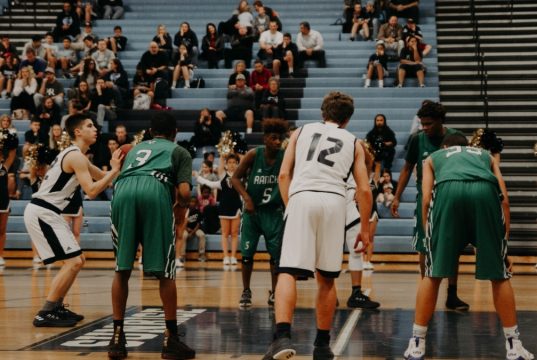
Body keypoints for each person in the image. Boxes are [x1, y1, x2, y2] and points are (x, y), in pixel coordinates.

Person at [403, 134, 534, 360]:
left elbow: (425, 198)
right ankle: (514, 345)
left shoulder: (433, 157)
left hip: (447, 194)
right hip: (484, 194)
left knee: (432, 274)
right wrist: (504, 244)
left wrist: (427, 238)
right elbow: (504, 199)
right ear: (467, 147)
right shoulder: (486, 155)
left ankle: (417, 343)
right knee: (500, 276)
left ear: (446, 147)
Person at [263, 92, 372, 359]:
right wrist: (365, 230)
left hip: (302, 197)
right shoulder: (355, 142)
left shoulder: (300, 132)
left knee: (287, 272)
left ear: (323, 113)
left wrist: (292, 205)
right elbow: (365, 191)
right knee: (327, 278)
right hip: (334, 203)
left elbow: (284, 174)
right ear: (347, 119)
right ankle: (322, 346)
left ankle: (283, 337)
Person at [108, 112, 194, 359]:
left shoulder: (134, 148)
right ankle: (171, 339)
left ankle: (116, 339)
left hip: (123, 190)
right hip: (154, 189)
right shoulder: (179, 151)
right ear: (174, 132)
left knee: (121, 268)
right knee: (166, 272)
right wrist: (180, 208)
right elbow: (186, 193)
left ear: (150, 131)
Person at [24, 113, 122, 326]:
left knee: (78, 261)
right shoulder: (76, 156)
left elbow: (100, 177)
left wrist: (120, 171)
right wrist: (113, 170)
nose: (95, 128)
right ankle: (46, 312)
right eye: (89, 125)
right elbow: (92, 190)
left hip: (49, 212)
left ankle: (56, 307)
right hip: (42, 212)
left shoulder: (78, 156)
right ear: (78, 132)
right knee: (74, 261)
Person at [391, 101, 469, 311]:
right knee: (424, 245)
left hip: (452, 196)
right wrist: (397, 196)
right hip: (426, 197)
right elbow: (407, 169)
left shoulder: (456, 138)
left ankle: (452, 295)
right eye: (422, 123)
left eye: (428, 123)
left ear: (440, 121)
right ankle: (427, 289)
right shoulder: (418, 139)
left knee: (452, 246)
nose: (424, 127)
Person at [231, 118, 288, 308]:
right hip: (252, 213)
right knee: (247, 255)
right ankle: (246, 290)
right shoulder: (253, 155)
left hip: (274, 213)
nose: (278, 142)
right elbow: (235, 178)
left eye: (280, 138)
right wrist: (246, 198)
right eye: (273, 138)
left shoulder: (286, 156)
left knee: (276, 257)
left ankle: (275, 292)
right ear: (265, 139)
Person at [345, 141, 381, 309]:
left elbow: (370, 162)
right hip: (342, 204)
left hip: (340, 205)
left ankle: (355, 292)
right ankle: (354, 292)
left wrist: (361, 147)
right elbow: (369, 162)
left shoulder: (355, 161)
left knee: (355, 250)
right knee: (353, 251)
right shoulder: (350, 155)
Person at [196, 154, 242, 266]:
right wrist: (223, 155)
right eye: (229, 162)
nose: (231, 165)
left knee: (235, 233)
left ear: (237, 164)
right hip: (224, 208)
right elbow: (211, 183)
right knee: (225, 233)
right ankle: (226, 256)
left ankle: (233, 256)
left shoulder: (240, 176)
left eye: (234, 162)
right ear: (226, 165)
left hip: (236, 207)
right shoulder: (222, 176)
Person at [0, 114, 18, 266]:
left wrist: (5, 167)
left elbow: (12, 153)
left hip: (2, 194)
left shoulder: (10, 137)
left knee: (2, 228)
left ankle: (0, 256)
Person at [176, 196, 207, 268]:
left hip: (195, 229)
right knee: (183, 235)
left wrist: (192, 232)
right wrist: (186, 229)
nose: (192, 203)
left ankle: (201, 254)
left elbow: (198, 224)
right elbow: (182, 222)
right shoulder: (185, 211)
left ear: (196, 204)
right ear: (189, 203)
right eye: (191, 202)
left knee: (202, 235)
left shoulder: (198, 212)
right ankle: (182, 255)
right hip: (186, 229)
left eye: (194, 202)